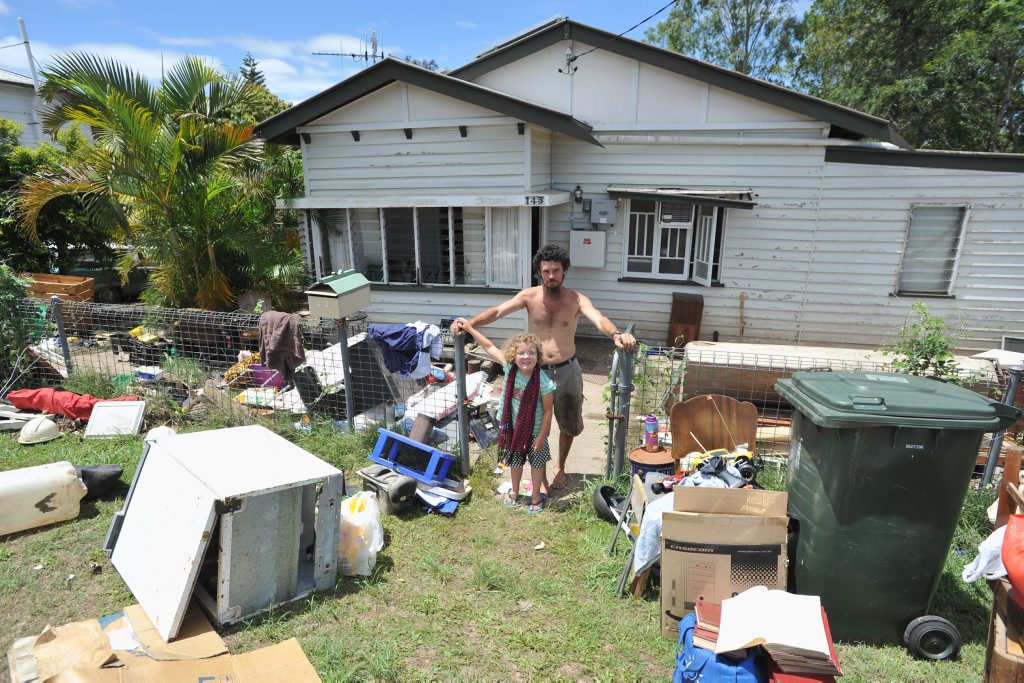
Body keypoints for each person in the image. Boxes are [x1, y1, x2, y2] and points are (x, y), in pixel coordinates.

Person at [452, 243, 636, 490]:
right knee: (537, 424)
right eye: (546, 271)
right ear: (540, 272)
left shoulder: (576, 299)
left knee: (568, 423)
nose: (551, 276)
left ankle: (561, 466)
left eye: (556, 271)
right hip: (535, 373)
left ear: (564, 272)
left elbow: (598, 318)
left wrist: (616, 334)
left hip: (567, 371)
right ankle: (542, 475)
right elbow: (497, 311)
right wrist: (470, 324)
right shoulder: (528, 296)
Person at [457, 322, 554, 514]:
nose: (526, 357)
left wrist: (542, 437)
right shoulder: (510, 369)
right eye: (521, 353)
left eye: (531, 353)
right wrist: (469, 328)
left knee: (537, 464)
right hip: (513, 430)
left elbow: (549, 412)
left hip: (535, 433)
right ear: (513, 355)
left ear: (538, 356)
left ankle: (536, 495)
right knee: (515, 462)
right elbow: (489, 346)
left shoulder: (544, 382)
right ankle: (515, 490)